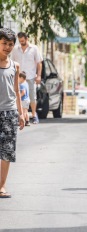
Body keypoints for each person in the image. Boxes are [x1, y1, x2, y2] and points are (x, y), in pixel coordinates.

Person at [0, 28, 25, 198]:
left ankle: (1, 186)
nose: (7, 47)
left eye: (10, 44)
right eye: (4, 43)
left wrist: (22, 113)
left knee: (7, 151)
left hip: (10, 113)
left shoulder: (14, 66)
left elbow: (16, 90)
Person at [11, 32, 43, 124]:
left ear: (27, 39)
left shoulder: (34, 48)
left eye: (23, 41)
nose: (21, 43)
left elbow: (39, 63)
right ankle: (20, 116)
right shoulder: (15, 49)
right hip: (18, 78)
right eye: (20, 41)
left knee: (32, 97)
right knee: (17, 96)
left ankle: (33, 115)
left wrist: (39, 75)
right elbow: (12, 62)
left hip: (30, 76)